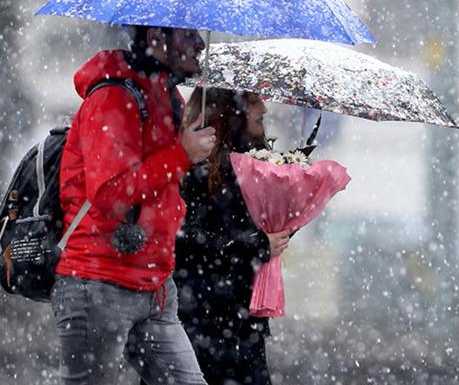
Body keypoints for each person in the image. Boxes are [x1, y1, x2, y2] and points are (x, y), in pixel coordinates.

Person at [53, 25, 216, 384]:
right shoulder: (113, 97)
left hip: (155, 285)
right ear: (157, 35)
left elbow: (161, 186)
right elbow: (109, 193)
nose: (200, 44)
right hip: (98, 284)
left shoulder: (167, 96)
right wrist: (181, 155)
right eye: (188, 35)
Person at [174, 87, 291, 385]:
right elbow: (184, 240)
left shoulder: (251, 167)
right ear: (231, 111)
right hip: (200, 319)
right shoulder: (191, 169)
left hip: (237, 320)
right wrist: (256, 245)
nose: (263, 109)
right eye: (254, 103)